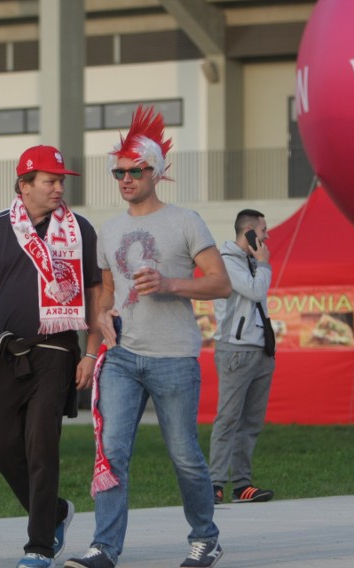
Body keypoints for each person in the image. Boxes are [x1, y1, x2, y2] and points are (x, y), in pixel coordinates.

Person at [65, 106, 231, 568]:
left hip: (173, 356)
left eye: (134, 170)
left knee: (185, 456)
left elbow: (220, 282)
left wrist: (170, 284)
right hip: (121, 357)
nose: (125, 179)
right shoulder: (109, 229)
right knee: (111, 451)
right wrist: (97, 331)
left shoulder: (185, 221)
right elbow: (107, 293)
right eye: (118, 172)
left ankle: (205, 537)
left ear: (155, 171)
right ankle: (105, 548)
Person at [0, 145, 102, 568]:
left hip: (57, 351)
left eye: (61, 181)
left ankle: (39, 546)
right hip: (6, 349)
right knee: (0, 439)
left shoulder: (80, 230)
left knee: (42, 444)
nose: (59, 188)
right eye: (50, 180)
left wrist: (91, 352)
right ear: (24, 185)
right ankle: (54, 511)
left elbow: (95, 291)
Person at [209, 209, 276, 505]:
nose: (266, 236)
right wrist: (263, 264)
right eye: (263, 231)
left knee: (251, 422)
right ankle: (214, 484)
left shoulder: (250, 263)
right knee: (228, 419)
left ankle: (242, 485)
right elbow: (254, 291)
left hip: (260, 350)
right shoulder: (227, 263)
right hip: (236, 351)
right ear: (248, 231)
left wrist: (258, 263)